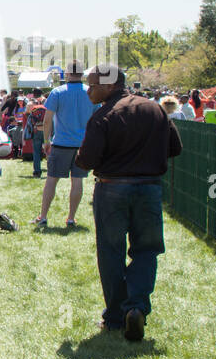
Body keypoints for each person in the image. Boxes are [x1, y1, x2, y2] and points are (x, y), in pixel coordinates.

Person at [76, 65, 182, 341]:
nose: (88, 90)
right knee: (146, 250)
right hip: (148, 189)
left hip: (112, 189)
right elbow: (175, 148)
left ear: (110, 86)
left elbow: (86, 161)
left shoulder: (103, 116)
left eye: (93, 85)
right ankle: (136, 307)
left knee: (111, 252)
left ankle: (114, 317)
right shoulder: (155, 109)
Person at [34, 61, 97, 229]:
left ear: (67, 73)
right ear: (82, 74)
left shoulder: (57, 92)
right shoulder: (90, 93)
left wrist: (46, 141)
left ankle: (44, 216)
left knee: (51, 180)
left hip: (61, 143)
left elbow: (47, 120)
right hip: (82, 145)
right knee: (77, 182)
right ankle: (71, 218)